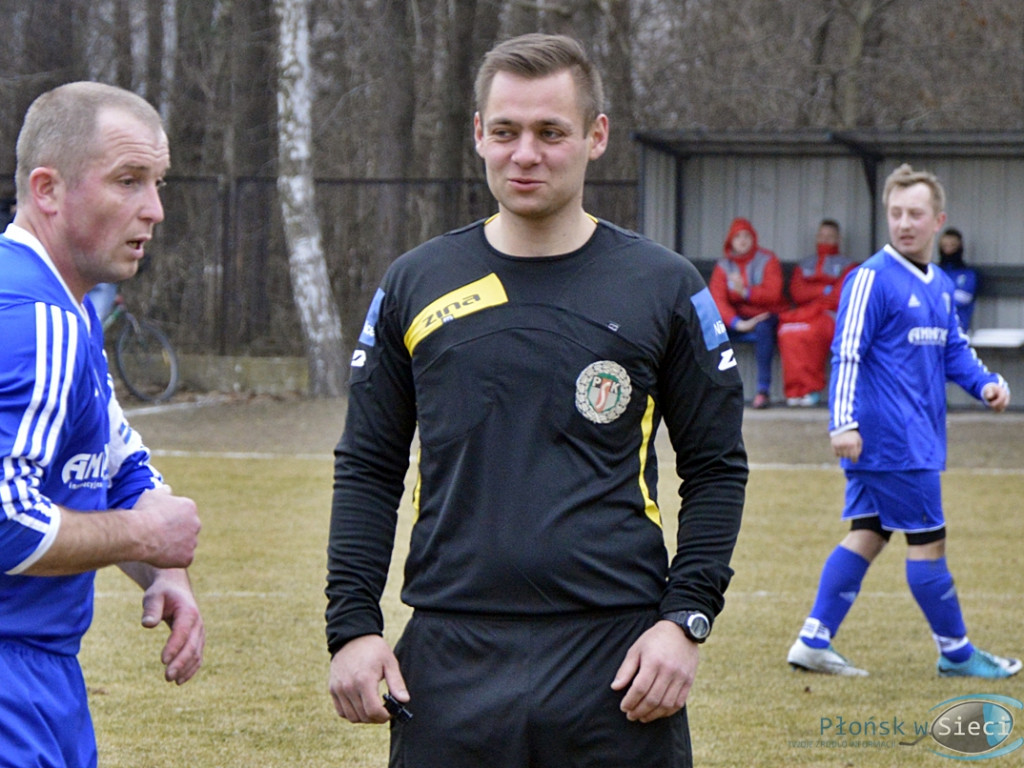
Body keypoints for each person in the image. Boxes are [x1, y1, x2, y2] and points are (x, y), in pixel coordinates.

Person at [326, 33, 747, 768]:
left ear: (595, 136)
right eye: (506, 131)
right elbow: (368, 465)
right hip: (450, 653)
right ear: (478, 135)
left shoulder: (664, 286)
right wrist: (353, 626)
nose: (525, 154)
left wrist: (686, 617)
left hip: (616, 661)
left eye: (551, 132)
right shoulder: (415, 282)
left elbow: (716, 467)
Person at [0, 82, 204, 767]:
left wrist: (161, 571)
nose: (155, 209)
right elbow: (4, 520)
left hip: (41, 677)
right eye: (127, 180)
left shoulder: (69, 311)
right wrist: (147, 536)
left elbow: (117, 463)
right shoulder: (35, 320)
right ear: (48, 190)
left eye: (157, 182)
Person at [786, 164, 1019, 679]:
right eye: (895, 213)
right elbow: (846, 353)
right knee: (928, 540)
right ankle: (957, 652)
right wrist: (841, 423)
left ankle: (813, 641)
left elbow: (953, 349)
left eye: (915, 214)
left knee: (869, 532)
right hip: (893, 440)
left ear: (938, 220)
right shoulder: (871, 278)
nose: (904, 223)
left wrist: (985, 384)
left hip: (911, 438)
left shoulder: (939, 284)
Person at [776, 219, 857, 407]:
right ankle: (794, 391)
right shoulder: (805, 264)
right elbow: (797, 292)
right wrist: (824, 289)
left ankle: (810, 389)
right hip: (803, 313)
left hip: (830, 315)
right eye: (821, 235)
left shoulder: (847, 265)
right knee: (787, 332)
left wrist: (814, 293)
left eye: (830, 236)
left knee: (812, 332)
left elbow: (839, 296)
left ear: (838, 238)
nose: (825, 239)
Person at [709, 217, 785, 408]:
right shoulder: (724, 265)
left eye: (746, 236)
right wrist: (737, 323)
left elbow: (773, 294)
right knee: (713, 331)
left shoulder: (767, 259)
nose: (742, 240)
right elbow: (717, 301)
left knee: (763, 330)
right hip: (737, 319)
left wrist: (747, 292)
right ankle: (715, 389)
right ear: (730, 241)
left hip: (764, 316)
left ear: (753, 238)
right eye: (737, 237)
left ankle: (763, 391)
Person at [937, 227, 979, 333]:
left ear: (959, 247)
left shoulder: (968, 274)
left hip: (959, 329)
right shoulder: (933, 272)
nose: (948, 249)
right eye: (945, 245)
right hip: (935, 330)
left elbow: (963, 298)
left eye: (952, 245)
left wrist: (937, 297)